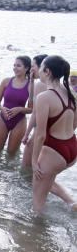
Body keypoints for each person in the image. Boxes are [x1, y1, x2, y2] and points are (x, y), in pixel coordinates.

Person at [32, 55, 77, 213]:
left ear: (47, 71)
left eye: (41, 67)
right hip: (71, 147)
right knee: (48, 180)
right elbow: (74, 124)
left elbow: (40, 134)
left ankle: (36, 235)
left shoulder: (44, 97)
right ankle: (72, 203)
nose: (38, 71)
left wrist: (33, 161)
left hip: (54, 149)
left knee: (37, 206)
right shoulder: (70, 92)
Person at [0, 56, 32, 155]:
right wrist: (1, 108)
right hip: (3, 118)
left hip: (19, 121)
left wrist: (19, 109)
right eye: (14, 65)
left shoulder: (31, 85)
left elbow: (31, 109)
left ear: (26, 68)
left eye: (18, 65)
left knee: (11, 154)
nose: (15, 68)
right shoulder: (6, 81)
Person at [21, 54, 48, 168]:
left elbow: (34, 113)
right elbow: (32, 104)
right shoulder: (56, 85)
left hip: (39, 133)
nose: (31, 69)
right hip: (51, 134)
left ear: (42, 67)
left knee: (26, 169)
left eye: (33, 66)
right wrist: (31, 82)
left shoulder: (41, 85)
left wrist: (26, 134)